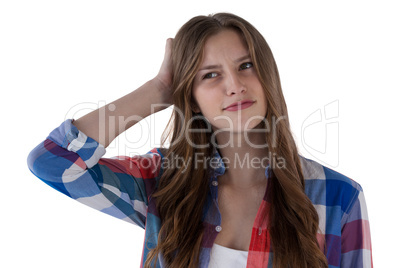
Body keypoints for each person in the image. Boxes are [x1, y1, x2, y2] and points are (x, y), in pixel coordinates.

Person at [27, 13, 372, 268]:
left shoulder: (338, 197)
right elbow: (52, 163)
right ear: (189, 96)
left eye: (246, 66)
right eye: (210, 75)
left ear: (268, 75)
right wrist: (158, 91)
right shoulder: (162, 181)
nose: (234, 85)